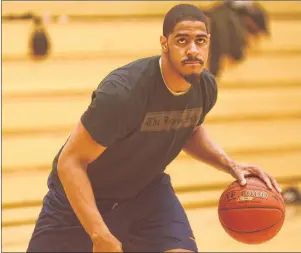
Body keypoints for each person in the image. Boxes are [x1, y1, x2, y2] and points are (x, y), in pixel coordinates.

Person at [27, 4, 282, 252]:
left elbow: (188, 128)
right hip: (84, 199)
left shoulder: (205, 87)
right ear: (164, 43)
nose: (193, 49)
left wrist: (230, 165)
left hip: (146, 194)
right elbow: (70, 162)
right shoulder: (123, 93)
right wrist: (99, 233)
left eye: (200, 40)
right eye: (182, 40)